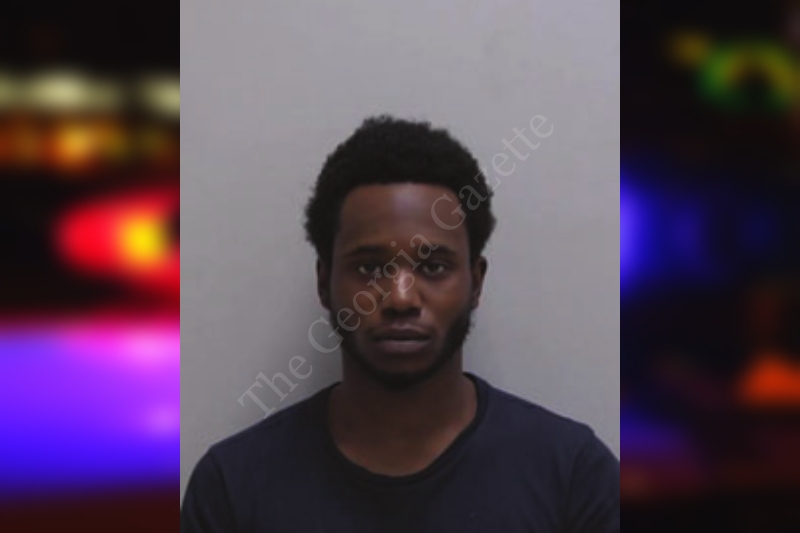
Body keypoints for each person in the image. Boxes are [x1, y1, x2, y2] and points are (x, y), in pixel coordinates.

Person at [181, 116, 619, 532]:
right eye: (369, 268)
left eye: (433, 267)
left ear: (476, 282)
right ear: (324, 283)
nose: (400, 298)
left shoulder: (574, 478)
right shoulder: (232, 489)